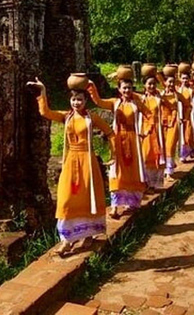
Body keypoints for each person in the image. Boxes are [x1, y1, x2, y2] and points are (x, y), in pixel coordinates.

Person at [27, 76, 113, 257]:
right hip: (71, 161)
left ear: (85, 101)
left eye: (80, 99)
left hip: (88, 162)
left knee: (87, 198)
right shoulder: (66, 117)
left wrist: (114, 156)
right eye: (73, 99)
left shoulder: (93, 118)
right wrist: (42, 90)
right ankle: (67, 239)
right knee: (66, 199)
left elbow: (110, 133)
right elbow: (45, 112)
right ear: (70, 101)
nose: (76, 102)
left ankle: (88, 234)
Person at [87, 76, 148, 218]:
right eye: (124, 88)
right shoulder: (114, 103)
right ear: (119, 90)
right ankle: (114, 207)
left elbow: (149, 115)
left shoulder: (137, 103)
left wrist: (145, 130)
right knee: (116, 170)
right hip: (118, 140)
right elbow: (98, 102)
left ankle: (132, 203)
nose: (127, 90)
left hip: (133, 140)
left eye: (129, 88)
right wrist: (91, 87)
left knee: (133, 170)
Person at [159, 66, 190, 182]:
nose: (171, 84)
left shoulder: (178, 95)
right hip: (162, 123)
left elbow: (188, 105)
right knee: (162, 147)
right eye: (169, 82)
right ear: (165, 82)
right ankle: (165, 168)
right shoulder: (160, 95)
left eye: (173, 82)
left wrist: (185, 118)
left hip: (174, 122)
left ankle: (169, 172)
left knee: (170, 146)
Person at [139, 72, 165, 191]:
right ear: (144, 85)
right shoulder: (141, 99)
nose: (151, 86)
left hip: (157, 129)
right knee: (145, 155)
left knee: (158, 155)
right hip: (144, 130)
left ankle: (157, 183)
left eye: (153, 84)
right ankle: (146, 182)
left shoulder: (159, 97)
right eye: (149, 84)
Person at [176, 66, 194, 162]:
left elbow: (191, 105)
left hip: (188, 115)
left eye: (186, 78)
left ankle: (190, 150)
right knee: (180, 137)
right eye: (183, 78)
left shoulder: (191, 90)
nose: (184, 80)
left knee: (188, 135)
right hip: (178, 115)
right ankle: (182, 155)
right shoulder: (177, 90)